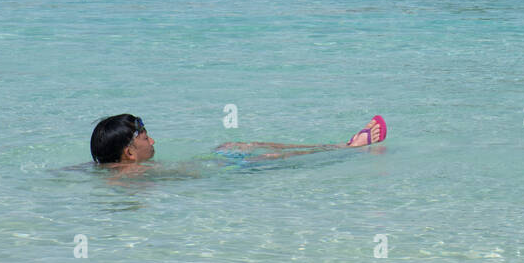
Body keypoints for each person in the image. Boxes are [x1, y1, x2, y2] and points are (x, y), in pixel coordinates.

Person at [89, 114, 386, 165]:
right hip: (220, 173)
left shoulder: (102, 171)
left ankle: (339, 146)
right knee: (256, 156)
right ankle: (345, 148)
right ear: (129, 153)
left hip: (212, 167)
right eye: (145, 137)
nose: (153, 141)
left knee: (231, 147)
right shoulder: (135, 178)